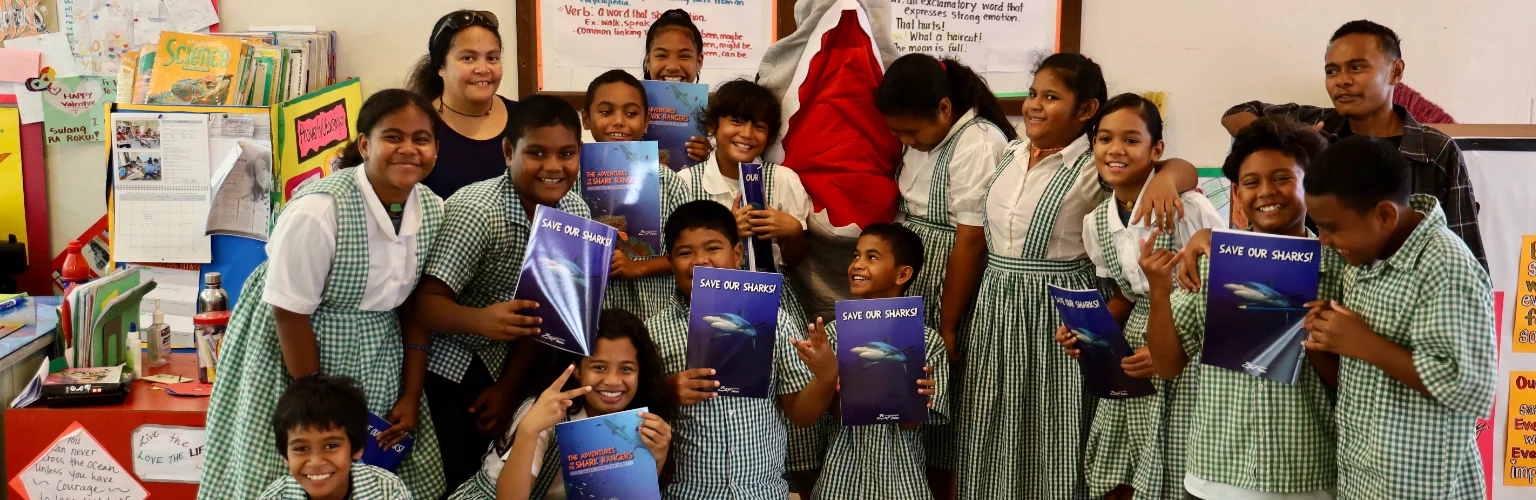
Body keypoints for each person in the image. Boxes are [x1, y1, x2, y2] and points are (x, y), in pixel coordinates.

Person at [951, 53, 1200, 500]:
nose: (1034, 105)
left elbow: (1166, 170)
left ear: (1086, 110)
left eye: (1051, 97)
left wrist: (1168, 179)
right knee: (992, 419)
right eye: (1033, 94)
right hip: (997, 308)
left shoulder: (1095, 166)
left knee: (1052, 426)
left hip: (1059, 313)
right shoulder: (1009, 154)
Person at [200, 89, 449, 499]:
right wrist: (316, 398)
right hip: (295, 354)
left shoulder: (431, 209)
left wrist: (409, 393)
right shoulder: (319, 210)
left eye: (421, 139)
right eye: (393, 137)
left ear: (436, 149)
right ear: (365, 144)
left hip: (377, 355)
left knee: (367, 473)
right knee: (302, 459)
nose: (408, 149)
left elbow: (412, 307)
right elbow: (289, 313)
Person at [1142, 117, 1343, 500]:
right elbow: (1167, 366)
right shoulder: (1211, 261)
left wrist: (1307, 325)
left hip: (1307, 479)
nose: (1266, 192)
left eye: (1282, 178)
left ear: (1313, 185)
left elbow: (1352, 385)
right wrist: (1159, 293)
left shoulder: (1339, 269)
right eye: (1251, 182)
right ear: (1236, 193)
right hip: (1215, 477)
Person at [406, 95, 592, 491]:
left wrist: (508, 387)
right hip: (453, 365)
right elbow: (423, 305)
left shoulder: (576, 214)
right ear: (509, 152)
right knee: (458, 477)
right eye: (537, 153)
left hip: (518, 364)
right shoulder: (478, 210)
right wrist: (482, 320)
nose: (553, 167)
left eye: (566, 154)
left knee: (507, 474)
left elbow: (549, 317)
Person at [1302, 134, 1496, 499]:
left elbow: (1469, 385)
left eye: (1332, 227)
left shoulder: (1444, 265)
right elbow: (1359, 380)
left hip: (1422, 488)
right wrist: (1327, 337)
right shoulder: (1364, 257)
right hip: (1363, 481)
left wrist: (1363, 342)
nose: (1323, 240)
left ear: (1385, 215)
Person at [1055, 93, 1224, 500]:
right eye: (1105, 139)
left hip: (1192, 349)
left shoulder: (1188, 207)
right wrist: (1088, 330)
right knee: (1121, 468)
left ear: (1156, 150)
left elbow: (1224, 291)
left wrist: (1172, 348)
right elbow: (1126, 294)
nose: (1115, 149)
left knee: (1178, 466)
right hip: (1132, 354)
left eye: (1131, 140)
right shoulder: (1096, 221)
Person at [1219, 20, 1486, 271]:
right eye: (1331, 71)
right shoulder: (1315, 126)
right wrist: (1284, 141)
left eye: (1357, 67)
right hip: (1310, 289)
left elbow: (1466, 253)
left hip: (1399, 300)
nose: (1342, 80)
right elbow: (1237, 113)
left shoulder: (1434, 151)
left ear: (1396, 71)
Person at [675, 78, 822, 487]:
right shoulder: (686, 182)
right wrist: (726, 233)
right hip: (706, 308)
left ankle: (774, 482)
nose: (747, 134)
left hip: (774, 303)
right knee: (717, 402)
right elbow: (676, 255)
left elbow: (798, 259)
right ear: (713, 126)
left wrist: (792, 231)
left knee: (782, 401)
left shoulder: (784, 179)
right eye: (736, 121)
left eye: (759, 126)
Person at [646, 200, 837, 499]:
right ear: (671, 262)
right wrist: (665, 392)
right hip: (686, 494)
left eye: (713, 248)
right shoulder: (652, 332)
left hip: (762, 493)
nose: (701, 261)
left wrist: (826, 377)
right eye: (685, 253)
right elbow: (632, 413)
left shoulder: (774, 320)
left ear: (737, 255)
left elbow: (801, 415)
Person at [441, 309, 675, 498]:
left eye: (626, 369)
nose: (613, 381)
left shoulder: (640, 422)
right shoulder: (546, 410)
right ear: (577, 370)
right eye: (599, 367)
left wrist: (655, 462)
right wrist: (529, 430)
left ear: (640, 372)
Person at [810, 223, 947, 500]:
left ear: (902, 274)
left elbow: (910, 424)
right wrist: (832, 382)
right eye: (856, 255)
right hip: (842, 476)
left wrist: (915, 397)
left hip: (903, 480)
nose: (858, 264)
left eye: (872, 257)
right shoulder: (833, 335)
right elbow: (832, 414)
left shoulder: (929, 342)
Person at [583, 69, 697, 320]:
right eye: (606, 112)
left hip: (655, 317)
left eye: (632, 113)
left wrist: (638, 267)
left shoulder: (669, 183)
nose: (619, 121)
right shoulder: (571, 181)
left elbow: (692, 253)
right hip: (592, 315)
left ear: (646, 122)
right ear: (586, 119)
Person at [409, 10, 521, 198]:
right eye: (468, 58)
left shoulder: (525, 119)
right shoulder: (416, 125)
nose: (483, 69)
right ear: (441, 66)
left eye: (492, 58)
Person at [259, 375, 412, 500]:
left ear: (357, 449)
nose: (316, 462)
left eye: (331, 446)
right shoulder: (274, 497)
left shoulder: (389, 491)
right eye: (301, 448)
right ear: (285, 456)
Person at [641, 8, 710, 163]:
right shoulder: (629, 109)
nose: (672, 66)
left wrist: (711, 160)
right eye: (661, 55)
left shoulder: (714, 121)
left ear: (699, 62)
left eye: (684, 56)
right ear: (648, 61)